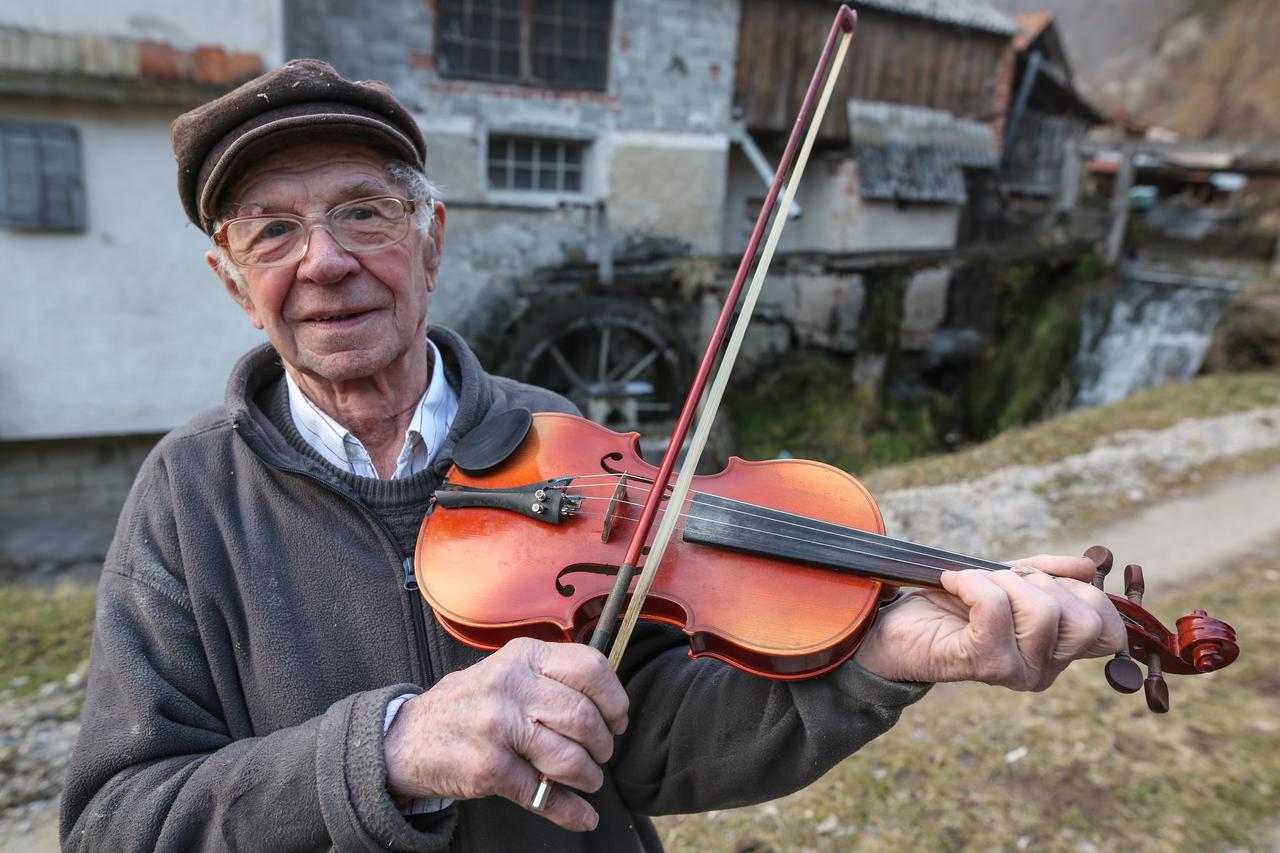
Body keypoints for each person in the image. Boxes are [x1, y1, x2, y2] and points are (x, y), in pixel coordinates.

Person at [60, 60, 1124, 852]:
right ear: (229, 279)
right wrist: (386, 750)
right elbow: (116, 820)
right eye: (272, 233)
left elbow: (655, 742)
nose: (326, 261)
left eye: (361, 212)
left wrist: (875, 659)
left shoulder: (557, 439)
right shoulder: (186, 498)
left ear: (430, 239)